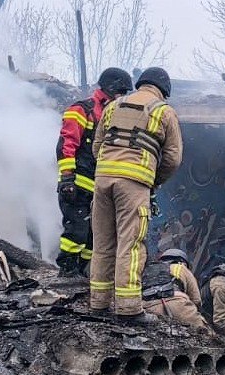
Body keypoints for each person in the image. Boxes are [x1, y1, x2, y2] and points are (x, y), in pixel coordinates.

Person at [89, 67, 183, 321]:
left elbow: (97, 145)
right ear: (164, 90)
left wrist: (109, 169)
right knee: (130, 245)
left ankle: (98, 304)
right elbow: (173, 158)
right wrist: (152, 180)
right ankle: (129, 309)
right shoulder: (164, 111)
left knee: (103, 243)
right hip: (134, 184)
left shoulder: (113, 106)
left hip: (102, 181)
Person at [55, 67, 129, 275]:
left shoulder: (113, 114)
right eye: (121, 92)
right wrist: (67, 178)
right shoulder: (82, 110)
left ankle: (81, 273)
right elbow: (66, 144)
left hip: (99, 188)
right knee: (76, 232)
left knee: (93, 236)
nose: (123, 97)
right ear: (111, 88)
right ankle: (67, 272)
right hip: (77, 186)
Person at [143, 248, 208, 328]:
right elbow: (196, 299)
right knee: (205, 331)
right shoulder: (181, 267)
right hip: (177, 303)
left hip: (149, 308)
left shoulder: (150, 270)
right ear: (183, 262)